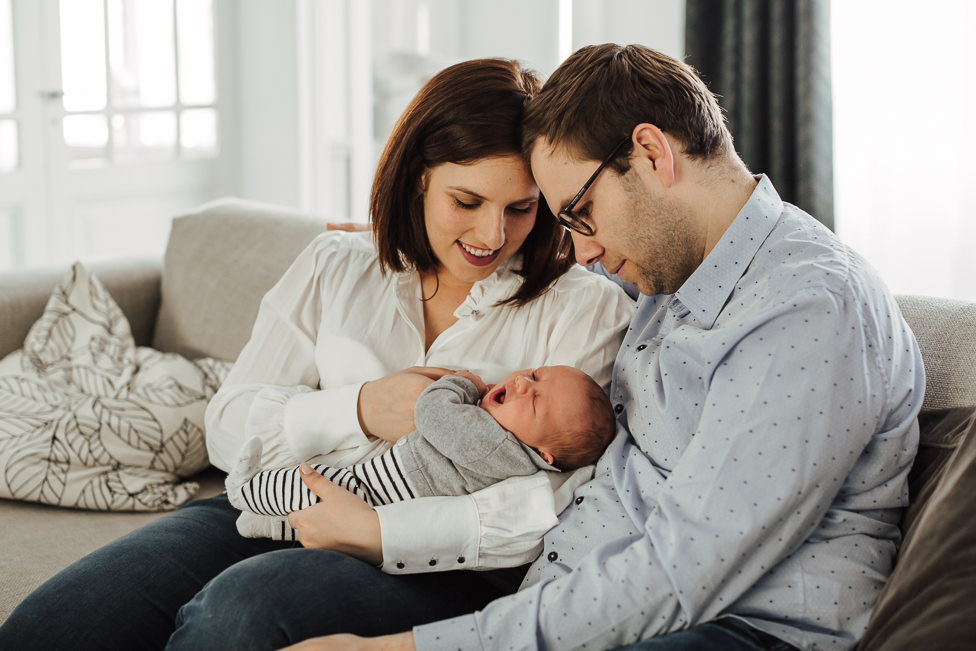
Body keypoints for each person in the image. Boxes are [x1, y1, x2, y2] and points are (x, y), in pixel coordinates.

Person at [271, 43, 925, 651]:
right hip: (581, 593)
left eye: (581, 216)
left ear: (650, 153)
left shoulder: (806, 311)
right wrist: (414, 232)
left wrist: (410, 649)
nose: (584, 250)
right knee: (267, 608)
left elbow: (678, 572)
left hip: (733, 626)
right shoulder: (677, 277)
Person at [0, 57, 634, 650]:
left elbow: (564, 502)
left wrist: (381, 533)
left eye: (520, 209)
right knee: (51, 626)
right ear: (418, 175)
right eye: (466, 202)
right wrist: (356, 410)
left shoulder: (585, 309)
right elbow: (226, 425)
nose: (492, 235)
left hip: (447, 559)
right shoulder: (338, 266)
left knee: (237, 615)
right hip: (282, 500)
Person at [227, 366, 616, 540]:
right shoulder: (520, 460)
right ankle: (262, 524)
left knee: (317, 488)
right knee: (313, 512)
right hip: (391, 490)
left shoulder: (496, 444)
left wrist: (459, 384)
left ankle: (243, 490)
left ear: (543, 453)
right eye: (535, 374)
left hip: (386, 489)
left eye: (534, 403)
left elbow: (431, 414)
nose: (520, 383)